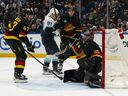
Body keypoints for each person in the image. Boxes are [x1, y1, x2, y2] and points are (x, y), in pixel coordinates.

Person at [4, 9, 35, 83]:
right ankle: (18, 74)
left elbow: (8, 24)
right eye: (30, 15)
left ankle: (17, 73)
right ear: (25, 15)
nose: (31, 17)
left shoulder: (18, 18)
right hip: (12, 38)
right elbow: (22, 36)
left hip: (10, 37)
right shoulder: (25, 23)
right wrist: (29, 45)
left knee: (20, 55)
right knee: (22, 55)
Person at [58, 3, 83, 71]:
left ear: (74, 11)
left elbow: (79, 28)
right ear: (68, 11)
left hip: (73, 37)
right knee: (63, 51)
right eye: (69, 11)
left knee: (78, 49)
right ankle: (60, 63)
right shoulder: (63, 17)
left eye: (72, 11)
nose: (71, 12)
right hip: (65, 37)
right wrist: (61, 33)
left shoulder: (76, 19)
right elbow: (59, 27)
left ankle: (82, 64)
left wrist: (78, 36)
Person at [41, 8, 62, 75]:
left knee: (49, 54)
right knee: (56, 52)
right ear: (52, 14)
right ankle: (55, 69)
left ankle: (45, 69)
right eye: (56, 15)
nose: (57, 16)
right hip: (48, 39)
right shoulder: (49, 19)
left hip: (47, 38)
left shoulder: (50, 19)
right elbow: (47, 30)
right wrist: (55, 28)